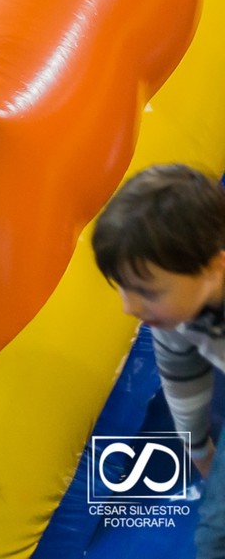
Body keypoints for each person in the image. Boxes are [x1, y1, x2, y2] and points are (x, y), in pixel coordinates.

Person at [91, 164, 225, 558]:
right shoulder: (175, 311)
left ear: (215, 266)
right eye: (124, 289)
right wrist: (198, 446)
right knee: (216, 534)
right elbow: (183, 378)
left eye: (146, 291)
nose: (129, 307)